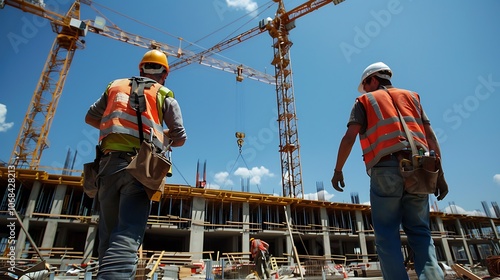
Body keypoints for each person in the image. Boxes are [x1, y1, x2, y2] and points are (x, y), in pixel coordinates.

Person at [330, 62, 448, 279]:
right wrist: (440, 175)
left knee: (386, 234)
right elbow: (431, 137)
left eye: (366, 85)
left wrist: (338, 170)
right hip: (421, 169)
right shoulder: (413, 97)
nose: (365, 90)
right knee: (421, 232)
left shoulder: (365, 101)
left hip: (386, 169)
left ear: (373, 79)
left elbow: (349, 137)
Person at [85, 49, 187, 279]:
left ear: (141, 68)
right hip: (140, 169)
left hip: (106, 165)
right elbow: (180, 137)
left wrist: (116, 129)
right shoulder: (164, 94)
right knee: (126, 235)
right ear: (165, 74)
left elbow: (91, 117)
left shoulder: (115, 86)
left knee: (108, 236)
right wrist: (161, 136)